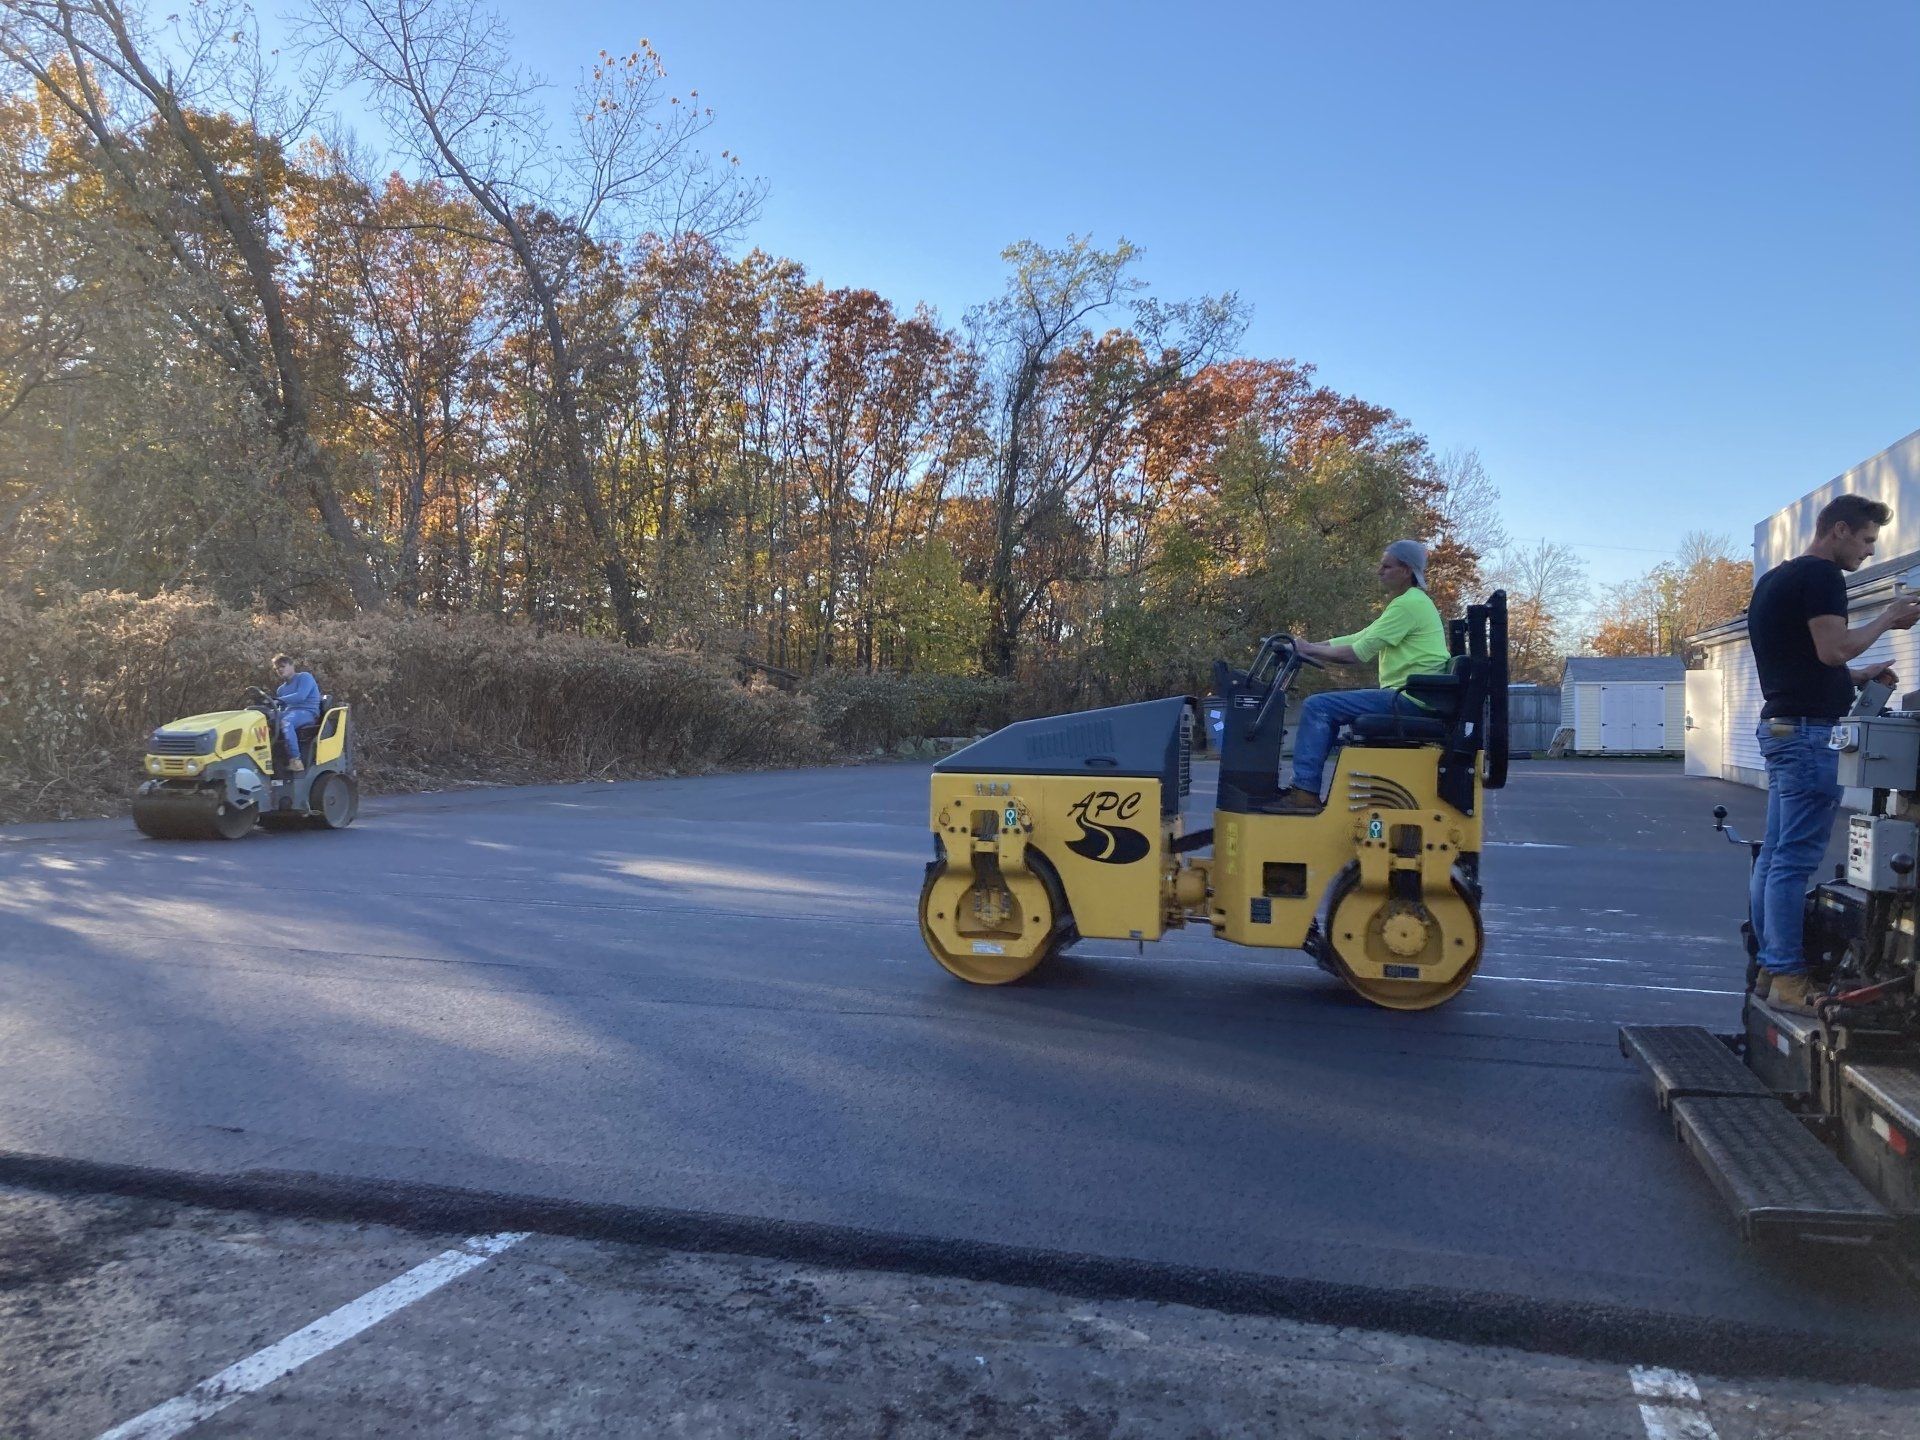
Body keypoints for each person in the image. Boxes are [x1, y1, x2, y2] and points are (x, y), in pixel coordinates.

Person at [1747, 494, 1920, 1012]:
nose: (1869, 551)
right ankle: (1787, 978)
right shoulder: (1823, 577)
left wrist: (1859, 676)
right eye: (1867, 540)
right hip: (1807, 736)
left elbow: (1807, 662)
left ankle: (1768, 970)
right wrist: (1888, 615)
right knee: (1793, 863)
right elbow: (1833, 649)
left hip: (1782, 729)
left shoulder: (1776, 579)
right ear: (1839, 530)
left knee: (1775, 859)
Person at [1278, 539, 1452, 811]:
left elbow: (1357, 653)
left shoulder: (1408, 605)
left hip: (1409, 700)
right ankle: (1305, 790)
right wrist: (1308, 647)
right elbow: (1360, 637)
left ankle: (1304, 793)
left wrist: (1310, 649)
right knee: (1322, 705)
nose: (1379, 571)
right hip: (1411, 697)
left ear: (1406, 570)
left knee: (1318, 706)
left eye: (1386, 566)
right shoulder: (1409, 603)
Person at [270, 653, 322, 774]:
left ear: (292, 665)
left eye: (282, 666)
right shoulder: (281, 689)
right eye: (277, 668)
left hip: (308, 713)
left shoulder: (304, 677)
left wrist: (279, 700)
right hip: (290, 713)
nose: (280, 670)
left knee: (286, 722)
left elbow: (301, 696)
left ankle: (296, 760)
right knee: (266, 720)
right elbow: (281, 708)